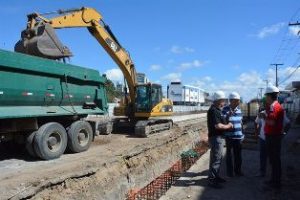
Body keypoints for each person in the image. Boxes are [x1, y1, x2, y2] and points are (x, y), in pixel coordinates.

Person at [207, 90, 233, 189]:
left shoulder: (217, 110)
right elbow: (218, 126)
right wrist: (229, 126)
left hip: (218, 138)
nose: (224, 102)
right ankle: (212, 180)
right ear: (218, 100)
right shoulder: (214, 110)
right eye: (223, 100)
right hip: (216, 138)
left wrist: (228, 116)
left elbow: (220, 120)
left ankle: (215, 177)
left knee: (217, 158)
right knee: (216, 159)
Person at [262, 85, 284, 189]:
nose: (265, 98)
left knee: (275, 160)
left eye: (266, 95)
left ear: (269, 96)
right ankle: (274, 180)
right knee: (273, 159)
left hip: (273, 137)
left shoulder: (275, 107)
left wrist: (264, 117)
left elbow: (271, 122)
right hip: (272, 136)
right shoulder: (274, 106)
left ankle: (276, 182)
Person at [222, 92, 244, 177]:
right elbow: (222, 121)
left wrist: (242, 134)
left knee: (238, 156)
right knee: (229, 156)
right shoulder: (225, 109)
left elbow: (241, 122)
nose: (238, 102)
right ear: (231, 101)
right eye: (237, 101)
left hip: (238, 137)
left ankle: (238, 171)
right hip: (229, 137)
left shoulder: (239, 110)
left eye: (238, 101)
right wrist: (228, 115)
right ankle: (230, 172)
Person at [254, 97, 267, 177]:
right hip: (263, 138)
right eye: (264, 103)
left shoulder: (279, 112)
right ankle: (262, 171)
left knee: (273, 157)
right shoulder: (262, 113)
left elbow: (288, 123)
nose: (265, 104)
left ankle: (273, 174)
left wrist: (283, 134)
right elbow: (256, 122)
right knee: (263, 156)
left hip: (273, 139)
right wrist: (256, 132)